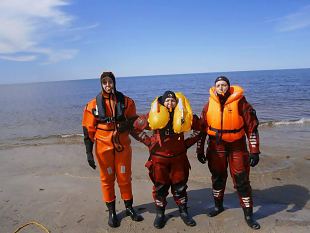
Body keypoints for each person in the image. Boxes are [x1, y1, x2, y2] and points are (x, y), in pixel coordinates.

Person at [196, 76, 261, 229]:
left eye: (224, 85)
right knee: (218, 177)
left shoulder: (241, 103)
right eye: (218, 85)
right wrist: (199, 150)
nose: (221, 87)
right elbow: (202, 130)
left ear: (229, 87)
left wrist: (254, 150)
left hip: (237, 146)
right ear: (214, 88)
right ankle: (218, 207)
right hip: (216, 145)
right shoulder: (208, 106)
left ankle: (248, 215)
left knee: (241, 180)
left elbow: (252, 127)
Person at [82, 71, 143, 228]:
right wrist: (89, 153)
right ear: (101, 84)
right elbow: (88, 129)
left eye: (110, 82)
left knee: (124, 177)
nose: (108, 85)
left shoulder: (127, 102)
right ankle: (112, 212)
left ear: (114, 83)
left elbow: (134, 123)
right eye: (105, 82)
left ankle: (129, 208)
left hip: (122, 146)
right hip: (103, 148)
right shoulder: (92, 105)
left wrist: (148, 140)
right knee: (107, 179)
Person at [133, 90, 201, 229]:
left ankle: (183, 212)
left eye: (172, 100)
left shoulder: (184, 116)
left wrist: (186, 144)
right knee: (160, 188)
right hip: (159, 160)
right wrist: (148, 142)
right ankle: (160, 214)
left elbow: (200, 128)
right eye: (167, 100)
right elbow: (135, 128)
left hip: (179, 159)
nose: (170, 103)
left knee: (180, 187)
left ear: (176, 102)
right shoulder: (153, 115)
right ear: (162, 102)